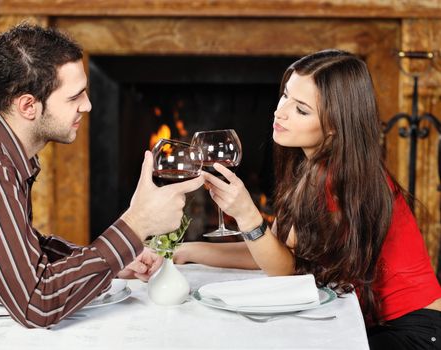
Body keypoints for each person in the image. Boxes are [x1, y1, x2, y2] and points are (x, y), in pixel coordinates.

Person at [0, 23, 203, 349]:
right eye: (74, 96)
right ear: (28, 106)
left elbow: (18, 250)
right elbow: (37, 303)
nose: (88, 105)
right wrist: (136, 225)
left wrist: (115, 259)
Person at [174, 49, 441, 349]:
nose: (281, 112)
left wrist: (248, 214)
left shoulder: (339, 179)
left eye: (301, 109)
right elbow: (267, 252)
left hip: (413, 333)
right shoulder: (311, 166)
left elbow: (285, 270)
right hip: (374, 323)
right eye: (285, 95)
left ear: (335, 126)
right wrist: (186, 251)